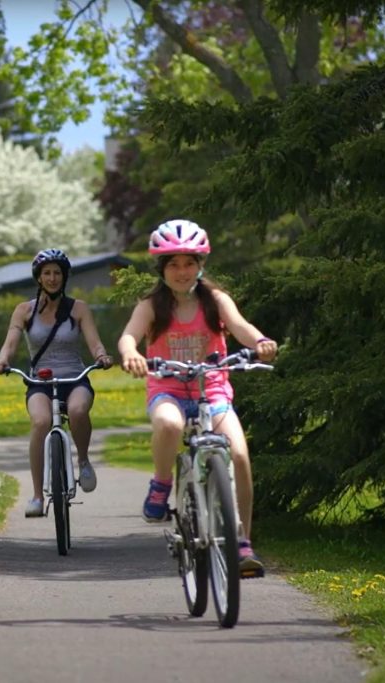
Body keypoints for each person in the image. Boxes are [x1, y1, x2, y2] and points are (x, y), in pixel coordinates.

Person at [116, 219, 277, 576]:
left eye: (189, 263)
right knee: (170, 424)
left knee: (238, 454)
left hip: (213, 390)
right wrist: (131, 354)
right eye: (173, 263)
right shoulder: (151, 305)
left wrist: (260, 342)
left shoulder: (214, 300)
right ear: (162, 268)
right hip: (168, 390)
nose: (182, 271)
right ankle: (161, 484)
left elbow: (240, 327)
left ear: (200, 264)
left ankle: (241, 542)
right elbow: (129, 336)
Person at [0, 248, 114, 518]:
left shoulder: (79, 309)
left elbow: (94, 341)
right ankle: (37, 496)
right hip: (40, 381)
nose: (52, 278)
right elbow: (10, 343)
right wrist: (2, 360)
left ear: (64, 277)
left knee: (78, 411)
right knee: (40, 422)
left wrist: (101, 356)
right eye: (46, 273)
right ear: (38, 278)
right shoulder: (24, 311)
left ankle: (83, 460)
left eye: (57, 273)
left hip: (74, 377)